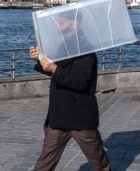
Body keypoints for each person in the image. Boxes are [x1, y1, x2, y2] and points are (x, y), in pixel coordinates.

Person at [29, 14, 110, 171]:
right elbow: (56, 71)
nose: (58, 23)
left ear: (75, 25)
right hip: (58, 116)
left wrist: (55, 69)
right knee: (44, 163)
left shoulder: (86, 50)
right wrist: (39, 61)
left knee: (99, 162)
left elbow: (80, 82)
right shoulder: (64, 46)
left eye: (63, 21)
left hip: (80, 117)